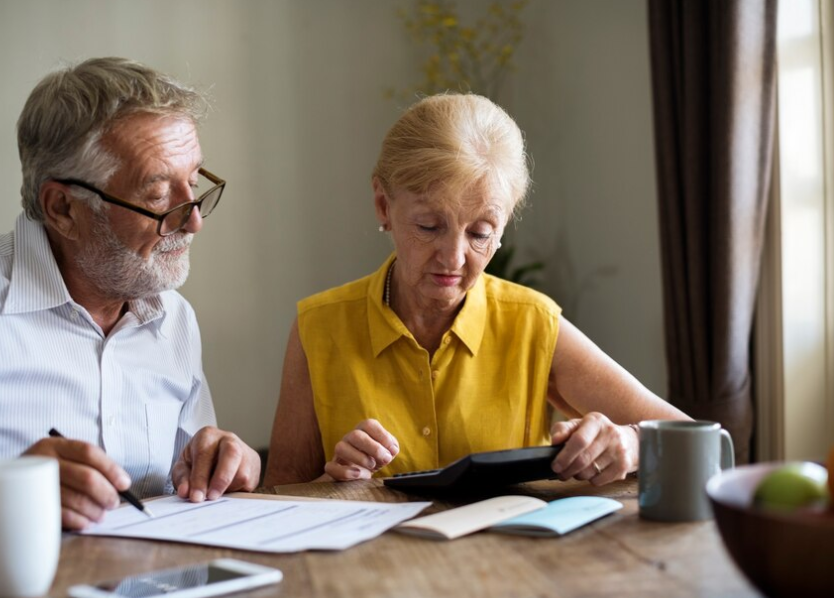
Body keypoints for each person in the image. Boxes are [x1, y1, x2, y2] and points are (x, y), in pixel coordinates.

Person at [264, 93, 691, 488]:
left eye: (480, 233)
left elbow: (702, 444)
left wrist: (634, 443)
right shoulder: (318, 328)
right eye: (429, 227)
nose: (453, 258)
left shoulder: (531, 324)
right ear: (383, 206)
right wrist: (331, 485)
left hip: (508, 565)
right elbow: (277, 500)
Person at [0, 57, 260, 530]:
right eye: (158, 197)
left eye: (194, 184)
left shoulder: (173, 317)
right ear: (62, 209)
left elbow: (192, 482)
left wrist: (226, 463)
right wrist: (7, 494)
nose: (193, 220)